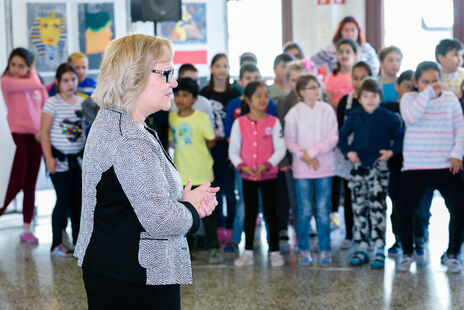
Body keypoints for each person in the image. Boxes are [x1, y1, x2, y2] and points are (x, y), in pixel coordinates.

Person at [73, 34, 219, 309]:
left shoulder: (117, 121)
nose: (174, 82)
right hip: (133, 275)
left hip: (117, 267)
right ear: (134, 76)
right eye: (166, 73)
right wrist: (191, 209)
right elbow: (160, 219)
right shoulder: (128, 137)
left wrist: (182, 199)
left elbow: (132, 198)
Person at [397, 61, 464, 274]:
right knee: (403, 210)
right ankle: (407, 253)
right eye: (425, 82)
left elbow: (460, 128)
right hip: (415, 165)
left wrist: (456, 154)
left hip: (445, 164)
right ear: (416, 83)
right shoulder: (409, 99)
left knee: (459, 209)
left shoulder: (451, 99)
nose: (431, 85)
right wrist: (426, 93)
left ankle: (452, 254)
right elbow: (410, 118)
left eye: (435, 81)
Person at [339, 78, 403, 269]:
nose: (369, 100)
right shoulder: (354, 115)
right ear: (359, 98)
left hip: (378, 166)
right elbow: (342, 137)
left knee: (377, 207)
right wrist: (348, 151)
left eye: (374, 96)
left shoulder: (388, 116)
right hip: (358, 166)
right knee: (359, 206)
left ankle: (378, 248)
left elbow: (399, 136)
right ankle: (361, 247)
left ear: (380, 97)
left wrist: (391, 152)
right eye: (365, 96)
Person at [229, 81, 286, 267]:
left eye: (265, 95)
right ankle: (248, 252)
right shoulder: (240, 123)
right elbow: (233, 150)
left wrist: (266, 165)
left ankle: (275, 250)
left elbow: (280, 149)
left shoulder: (274, 122)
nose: (263, 99)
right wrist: (242, 166)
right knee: (249, 212)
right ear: (248, 99)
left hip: (269, 175)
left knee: (271, 212)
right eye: (258, 96)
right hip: (247, 176)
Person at [285, 74, 338, 265]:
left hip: (324, 166)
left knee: (323, 210)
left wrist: (314, 153)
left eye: (317, 86)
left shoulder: (327, 110)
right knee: (304, 210)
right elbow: (290, 141)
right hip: (303, 168)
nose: (316, 90)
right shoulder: (294, 113)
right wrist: (305, 156)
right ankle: (303, 248)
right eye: (311, 87)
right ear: (301, 92)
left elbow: (333, 137)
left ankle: (325, 249)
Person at [382, 70, 434, 261]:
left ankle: (419, 239)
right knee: (397, 204)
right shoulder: (387, 108)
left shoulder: (426, 107)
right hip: (396, 163)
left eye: (414, 88)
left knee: (420, 206)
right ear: (397, 86)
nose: (411, 91)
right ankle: (399, 240)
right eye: (406, 87)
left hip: (420, 163)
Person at [0, 47, 48, 243]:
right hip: (17, 138)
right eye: (13, 65)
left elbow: (44, 107)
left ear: (28, 67)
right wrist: (32, 69)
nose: (16, 69)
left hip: (35, 138)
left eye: (22, 66)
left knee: (30, 185)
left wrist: (42, 133)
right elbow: (35, 83)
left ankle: (27, 229)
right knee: (16, 183)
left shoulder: (36, 87)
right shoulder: (7, 82)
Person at [40, 63, 85, 256]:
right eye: (65, 80)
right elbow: (44, 133)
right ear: (58, 83)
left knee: (78, 202)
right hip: (59, 161)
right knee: (63, 200)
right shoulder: (52, 103)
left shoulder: (84, 102)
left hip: (78, 161)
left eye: (73, 79)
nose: (70, 84)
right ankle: (56, 243)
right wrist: (49, 158)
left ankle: (78, 242)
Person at [200, 53, 240, 263]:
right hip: (210, 146)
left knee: (230, 191)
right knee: (213, 189)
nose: (222, 69)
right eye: (218, 65)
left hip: (231, 146)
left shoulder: (235, 93)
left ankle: (231, 229)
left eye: (225, 65)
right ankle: (217, 228)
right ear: (212, 68)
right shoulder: (204, 93)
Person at [169, 77, 216, 256]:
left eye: (185, 95)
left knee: (209, 213)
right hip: (181, 174)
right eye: (177, 95)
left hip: (203, 173)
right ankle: (188, 249)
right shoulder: (171, 118)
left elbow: (211, 141)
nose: (180, 99)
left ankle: (213, 247)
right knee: (186, 214)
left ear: (194, 98)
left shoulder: (202, 118)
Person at [333, 60, 372, 250]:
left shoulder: (374, 100)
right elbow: (341, 129)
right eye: (355, 78)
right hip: (350, 156)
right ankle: (349, 234)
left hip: (370, 155)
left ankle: (371, 235)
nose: (359, 81)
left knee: (371, 196)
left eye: (363, 77)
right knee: (349, 196)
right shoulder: (345, 101)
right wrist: (348, 152)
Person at [275, 61, 306, 252]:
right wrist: (284, 160)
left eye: (300, 80)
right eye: (293, 80)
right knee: (293, 198)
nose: (297, 84)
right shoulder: (284, 102)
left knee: (307, 199)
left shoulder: (314, 101)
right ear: (288, 82)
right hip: (291, 159)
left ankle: (307, 229)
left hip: (310, 159)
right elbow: (282, 132)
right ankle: (293, 231)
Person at [325, 38, 357, 108]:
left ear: (355, 55)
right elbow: (329, 100)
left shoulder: (357, 76)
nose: (344, 55)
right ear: (336, 54)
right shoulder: (331, 76)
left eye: (348, 52)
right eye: (341, 52)